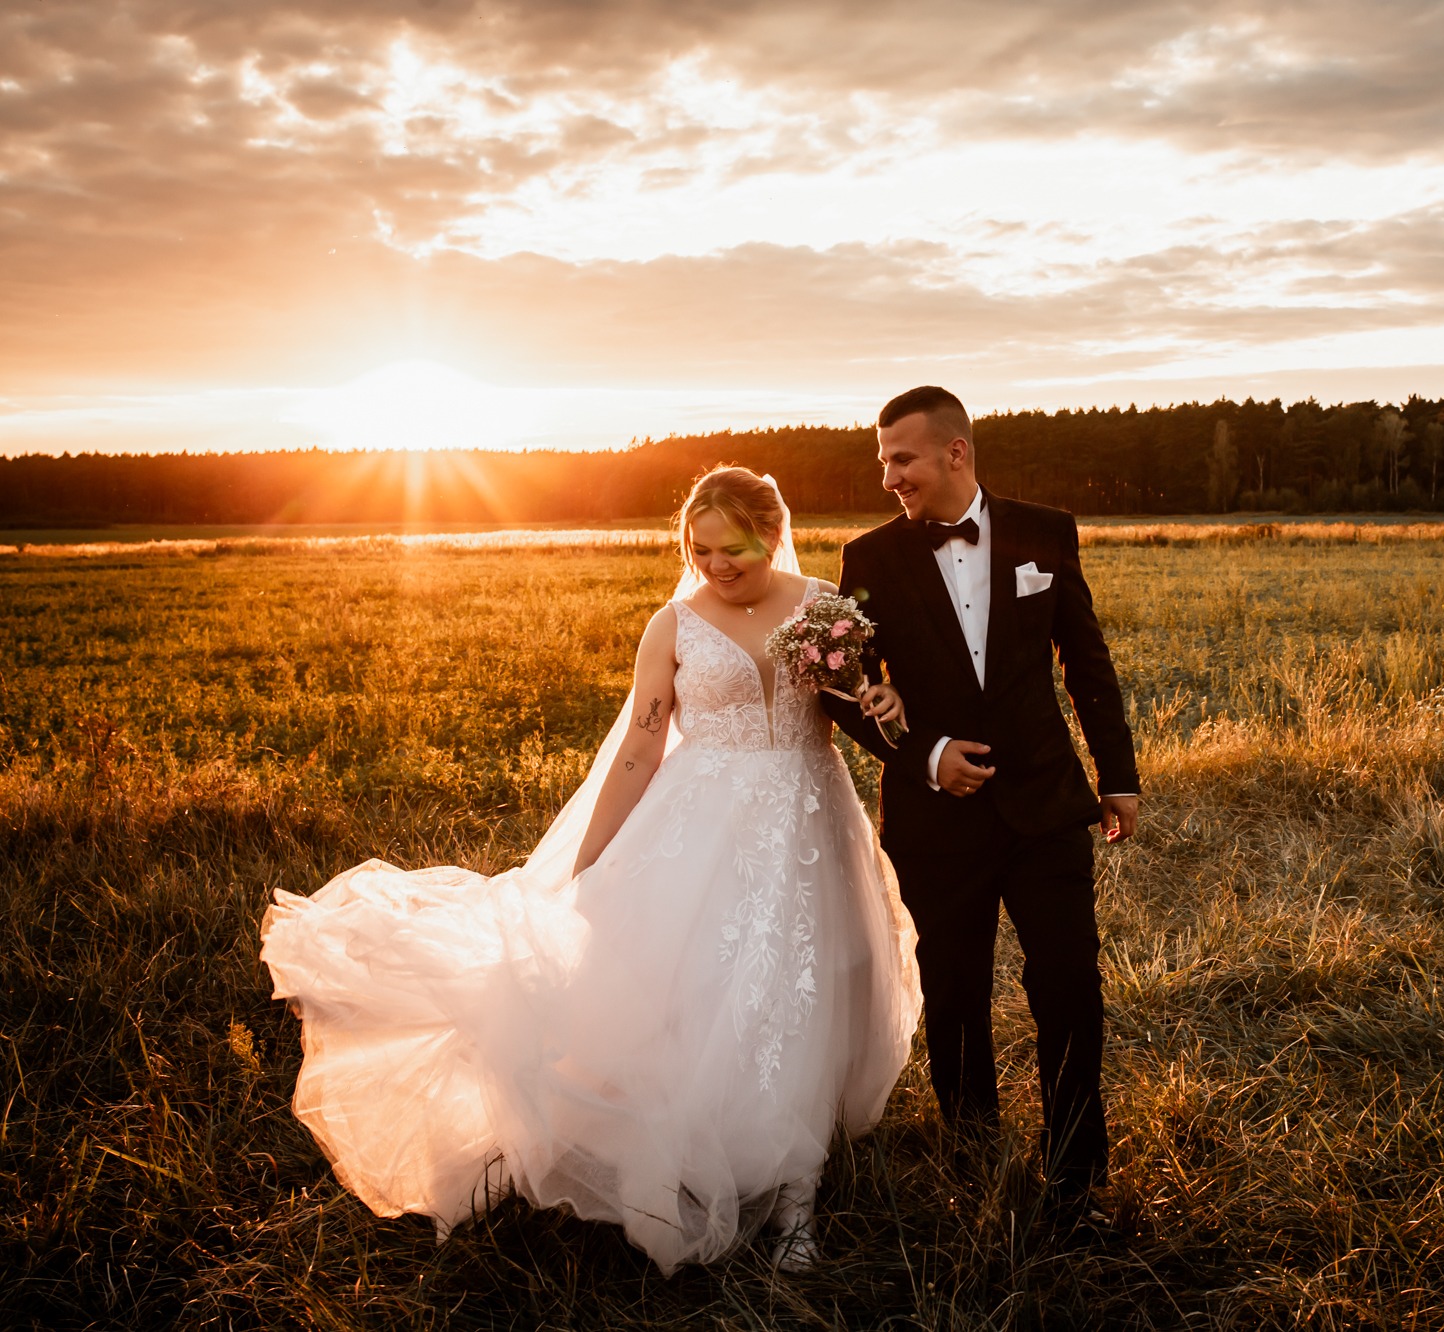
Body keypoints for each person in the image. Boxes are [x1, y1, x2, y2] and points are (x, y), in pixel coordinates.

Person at [259, 467, 920, 1274]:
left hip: (809, 818)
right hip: (700, 825)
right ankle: (693, 1145)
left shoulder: (825, 605)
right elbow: (642, 744)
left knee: (801, 989)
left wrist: (882, 698)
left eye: (733, 549)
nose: (715, 564)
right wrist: (591, 858)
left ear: (772, 534)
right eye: (699, 549)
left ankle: (795, 1203)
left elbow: (866, 699)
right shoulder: (673, 625)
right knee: (697, 993)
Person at [817, 386, 1140, 1216]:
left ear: (955, 452)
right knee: (955, 992)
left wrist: (1118, 775)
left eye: (902, 458)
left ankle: (1075, 1171)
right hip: (934, 821)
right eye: (882, 460)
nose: (889, 476)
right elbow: (841, 688)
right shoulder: (869, 557)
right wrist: (925, 755)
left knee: (1068, 983)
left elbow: (1085, 658)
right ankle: (972, 1156)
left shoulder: (1046, 530)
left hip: (1046, 803)